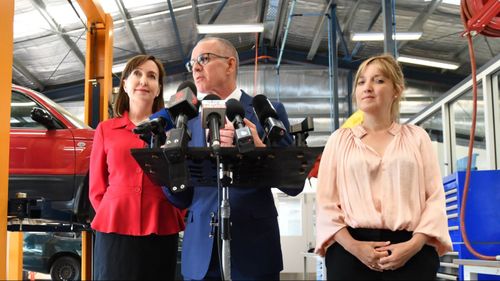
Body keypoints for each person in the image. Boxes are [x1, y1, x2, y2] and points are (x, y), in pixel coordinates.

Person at [163, 37, 301, 280]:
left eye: (203, 59)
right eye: (192, 63)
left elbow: (293, 185)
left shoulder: (267, 113)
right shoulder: (189, 122)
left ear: (229, 65)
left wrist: (259, 151)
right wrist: (169, 166)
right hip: (200, 257)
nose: (195, 67)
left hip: (253, 250)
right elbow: (182, 197)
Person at [315, 54, 452, 280]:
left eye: (378, 80)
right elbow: (326, 203)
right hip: (351, 253)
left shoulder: (417, 138)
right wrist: (355, 247)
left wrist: (413, 245)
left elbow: (435, 199)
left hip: (412, 253)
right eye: (361, 82)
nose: (367, 87)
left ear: (396, 90)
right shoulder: (339, 140)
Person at [89, 55, 185, 280]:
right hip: (114, 227)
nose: (144, 81)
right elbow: (96, 186)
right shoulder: (105, 130)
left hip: (161, 225)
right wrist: (111, 210)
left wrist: (178, 213)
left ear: (159, 89)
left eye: (152, 76)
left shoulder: (175, 132)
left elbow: (183, 179)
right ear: (125, 84)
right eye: (137, 74)